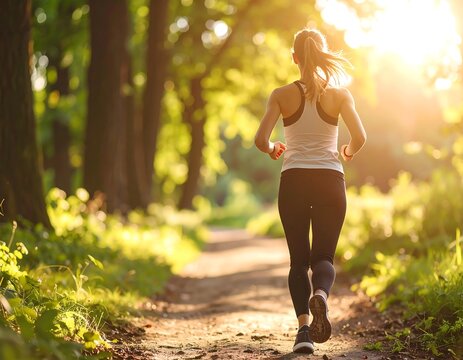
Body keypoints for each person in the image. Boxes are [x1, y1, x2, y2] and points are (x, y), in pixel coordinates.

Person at [254, 28, 367, 354]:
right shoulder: (341, 95)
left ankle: (304, 332)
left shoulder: (280, 94)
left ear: (295, 57)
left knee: (298, 261)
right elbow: (360, 138)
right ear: (321, 54)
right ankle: (321, 294)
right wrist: (345, 153)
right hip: (330, 180)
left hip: (294, 180)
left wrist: (274, 147)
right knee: (324, 257)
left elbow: (261, 140)